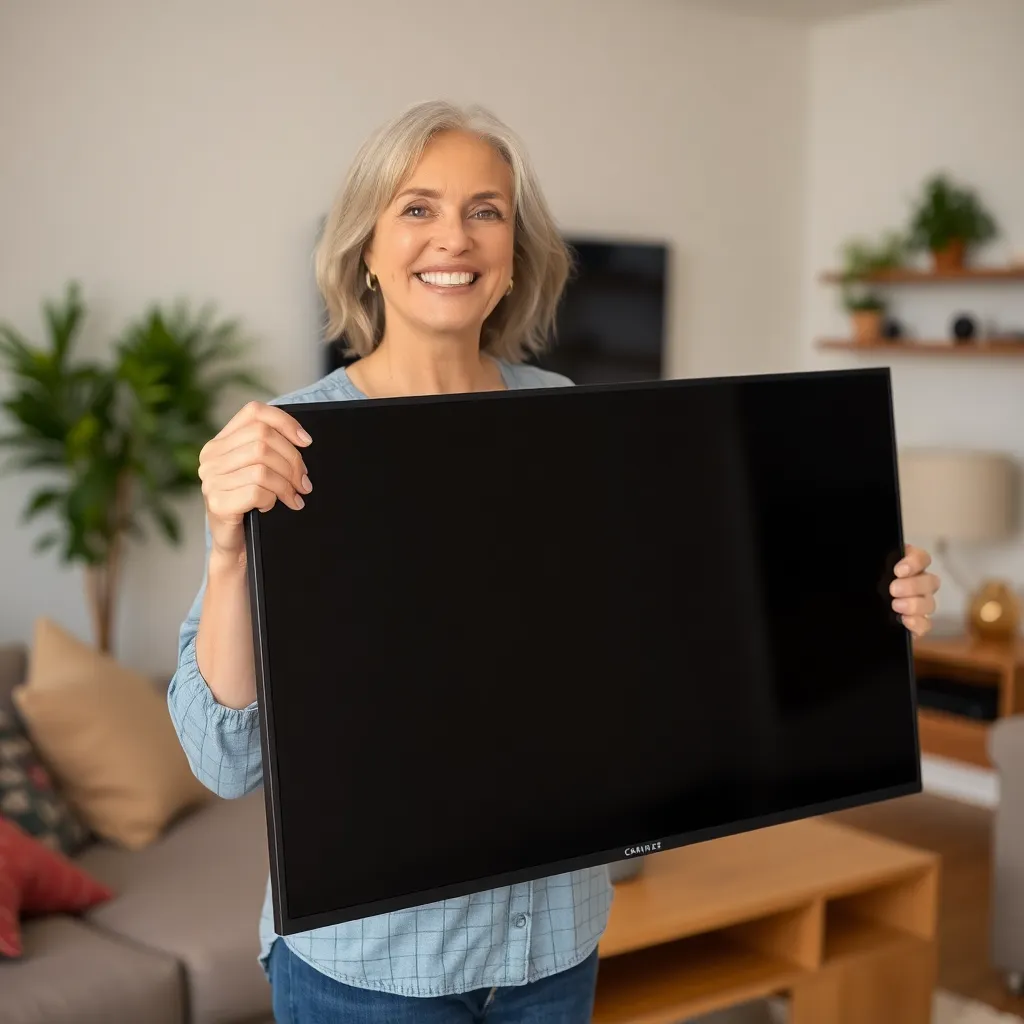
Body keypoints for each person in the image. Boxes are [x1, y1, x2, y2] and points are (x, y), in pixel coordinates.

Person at [166, 100, 942, 1024]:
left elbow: (645, 636)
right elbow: (223, 762)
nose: (453, 237)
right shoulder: (289, 442)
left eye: (485, 211)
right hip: (371, 968)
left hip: (553, 944)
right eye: (417, 208)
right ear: (365, 249)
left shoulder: (566, 414)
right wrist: (224, 553)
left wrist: (866, 601)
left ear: (514, 256)